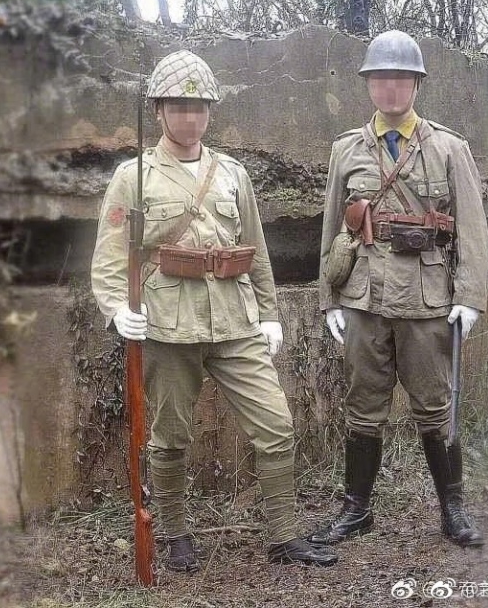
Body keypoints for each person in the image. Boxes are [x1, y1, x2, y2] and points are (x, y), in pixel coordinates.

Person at [91, 50, 338, 571]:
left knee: (276, 425)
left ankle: (284, 536)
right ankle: (175, 534)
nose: (190, 117)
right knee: (170, 437)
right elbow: (112, 256)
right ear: (159, 110)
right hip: (166, 323)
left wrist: (268, 313)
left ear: (211, 111)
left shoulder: (232, 174)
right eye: (179, 106)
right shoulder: (133, 176)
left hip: (233, 318)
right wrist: (115, 308)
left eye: (199, 107)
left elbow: (256, 248)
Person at [311, 30, 488, 549]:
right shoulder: (346, 149)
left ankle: (452, 510)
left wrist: (469, 296)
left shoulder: (449, 148)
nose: (390, 88)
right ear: (369, 85)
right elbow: (332, 226)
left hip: (426, 299)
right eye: (380, 79)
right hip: (364, 298)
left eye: (400, 78)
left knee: (434, 406)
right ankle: (356, 510)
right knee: (363, 405)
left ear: (416, 84)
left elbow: (473, 229)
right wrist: (329, 298)